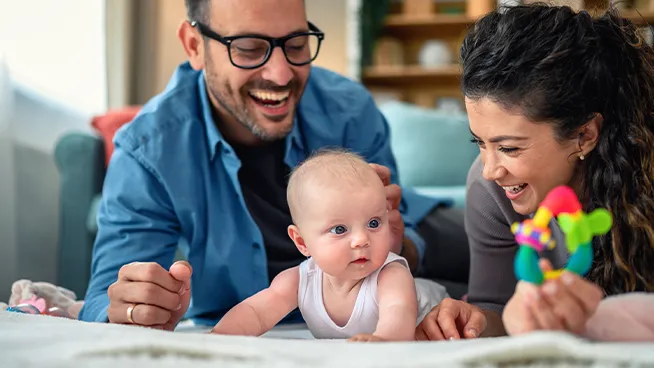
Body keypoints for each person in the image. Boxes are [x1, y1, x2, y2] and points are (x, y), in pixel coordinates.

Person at [78, 0, 470, 329]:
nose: (281, 74)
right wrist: (134, 307)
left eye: (297, 44)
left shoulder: (348, 109)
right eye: (248, 48)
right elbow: (102, 299)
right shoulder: (148, 150)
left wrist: (399, 244)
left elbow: (402, 235)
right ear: (195, 45)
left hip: (401, 257)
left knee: (496, 240)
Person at [415, 4, 654, 341]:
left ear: (584, 135)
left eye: (509, 147)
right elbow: (495, 305)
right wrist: (476, 320)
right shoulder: (489, 191)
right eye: (479, 142)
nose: (489, 170)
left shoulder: (643, 179)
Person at [211, 150, 447, 341]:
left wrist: (385, 340)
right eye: (340, 229)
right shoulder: (298, 281)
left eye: (374, 223)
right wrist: (218, 337)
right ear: (302, 242)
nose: (361, 240)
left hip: (438, 305)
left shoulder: (391, 275)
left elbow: (399, 311)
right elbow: (256, 312)